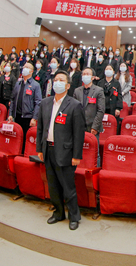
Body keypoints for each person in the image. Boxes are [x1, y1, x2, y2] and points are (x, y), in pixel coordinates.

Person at [36, 71, 85, 230]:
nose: (57, 82)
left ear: (68, 85)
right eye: (55, 79)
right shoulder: (45, 103)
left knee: (68, 187)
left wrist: (76, 155)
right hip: (48, 150)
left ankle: (74, 216)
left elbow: (79, 133)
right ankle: (58, 213)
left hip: (65, 153)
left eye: (61, 80)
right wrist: (39, 148)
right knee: (53, 186)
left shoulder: (74, 105)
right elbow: (40, 128)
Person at [73, 67, 105, 167]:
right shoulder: (77, 91)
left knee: (95, 153)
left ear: (93, 77)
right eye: (84, 74)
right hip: (79, 126)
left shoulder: (98, 90)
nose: (85, 76)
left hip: (92, 127)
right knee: (77, 151)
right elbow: (73, 109)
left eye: (88, 74)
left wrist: (95, 127)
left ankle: (96, 171)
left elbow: (101, 110)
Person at [8, 63, 42, 141]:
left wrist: (34, 118)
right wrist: (10, 114)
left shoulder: (35, 85)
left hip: (28, 117)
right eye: (24, 67)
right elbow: (12, 99)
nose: (24, 68)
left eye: (27, 67)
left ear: (31, 71)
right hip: (17, 115)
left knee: (24, 140)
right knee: (16, 139)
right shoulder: (18, 83)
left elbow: (38, 103)